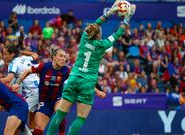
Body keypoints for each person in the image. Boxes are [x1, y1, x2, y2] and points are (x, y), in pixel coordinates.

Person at [47, 1, 136, 135]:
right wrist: (127, 18)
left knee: (60, 113)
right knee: (80, 118)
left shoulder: (84, 38)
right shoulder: (103, 44)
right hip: (87, 83)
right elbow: (118, 34)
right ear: (99, 34)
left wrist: (110, 12)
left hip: (74, 78)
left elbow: (96, 24)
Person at [12, 48, 70, 135]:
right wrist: (17, 83)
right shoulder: (44, 66)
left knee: (59, 111)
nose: (63, 59)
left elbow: (78, 79)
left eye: (65, 57)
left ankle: (62, 133)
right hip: (44, 102)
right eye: (61, 56)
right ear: (54, 57)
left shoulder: (67, 70)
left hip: (57, 99)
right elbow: (27, 71)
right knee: (38, 128)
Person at [0, 44, 39, 133]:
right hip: (39, 90)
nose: (3, 56)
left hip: (34, 93)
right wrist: (22, 52)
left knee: (16, 116)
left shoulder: (13, 63)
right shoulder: (25, 58)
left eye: (5, 54)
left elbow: (8, 79)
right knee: (31, 119)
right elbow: (35, 55)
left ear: (12, 54)